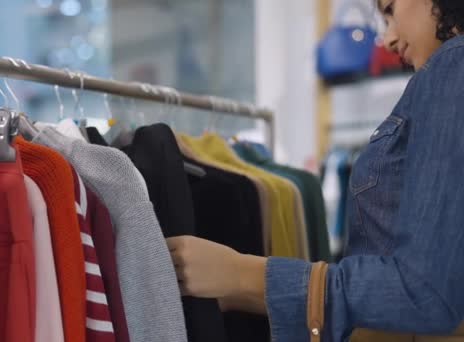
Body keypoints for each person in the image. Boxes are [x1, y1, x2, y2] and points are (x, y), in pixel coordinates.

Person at [166, 0, 464, 341]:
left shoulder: (454, 64)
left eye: (390, 9)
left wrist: (241, 274)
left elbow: (425, 292)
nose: (388, 38)